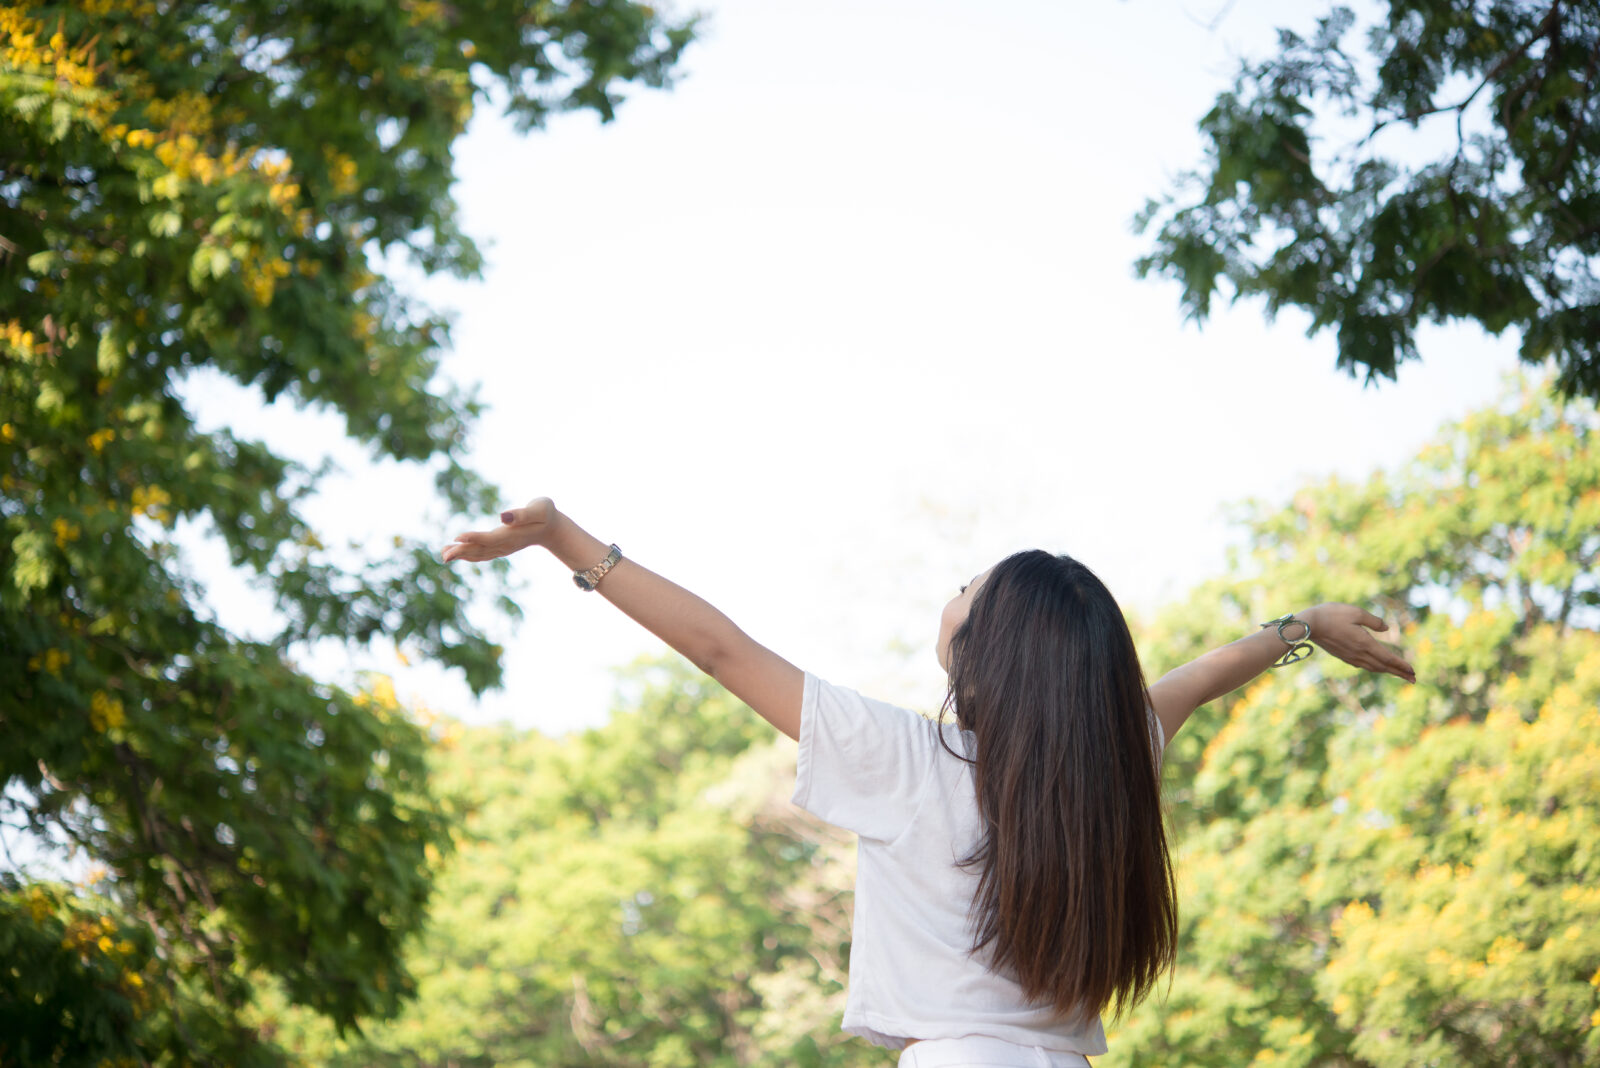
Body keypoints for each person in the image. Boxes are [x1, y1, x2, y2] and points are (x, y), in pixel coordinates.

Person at [442, 498, 1415, 1068]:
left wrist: (561, 537)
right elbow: (1194, 681)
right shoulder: (1110, 770)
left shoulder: (904, 760)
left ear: (982, 652)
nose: (953, 591)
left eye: (968, 588)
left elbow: (717, 649)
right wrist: (1300, 629)